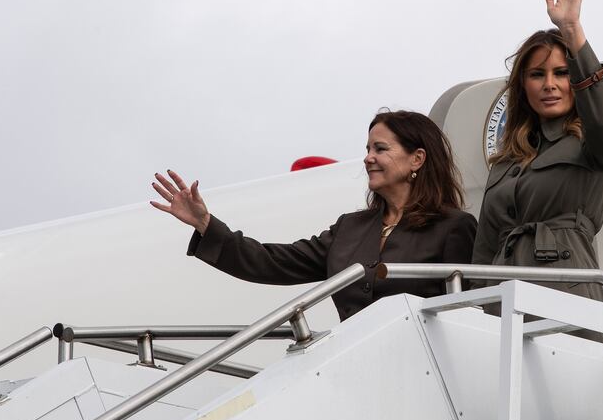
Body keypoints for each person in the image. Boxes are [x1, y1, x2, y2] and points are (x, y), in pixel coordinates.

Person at [151, 110, 477, 323]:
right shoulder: (350, 228)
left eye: (380, 149)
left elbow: (470, 317)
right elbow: (273, 261)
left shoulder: (454, 228)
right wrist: (206, 224)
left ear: (417, 158)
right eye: (367, 149)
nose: (368, 158)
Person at [472, 0, 603, 342]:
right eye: (537, 74)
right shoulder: (507, 162)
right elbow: (483, 253)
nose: (550, 84)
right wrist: (472, 316)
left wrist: (573, 32)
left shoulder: (595, 144)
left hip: (565, 297)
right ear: (523, 85)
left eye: (561, 73)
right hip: (502, 307)